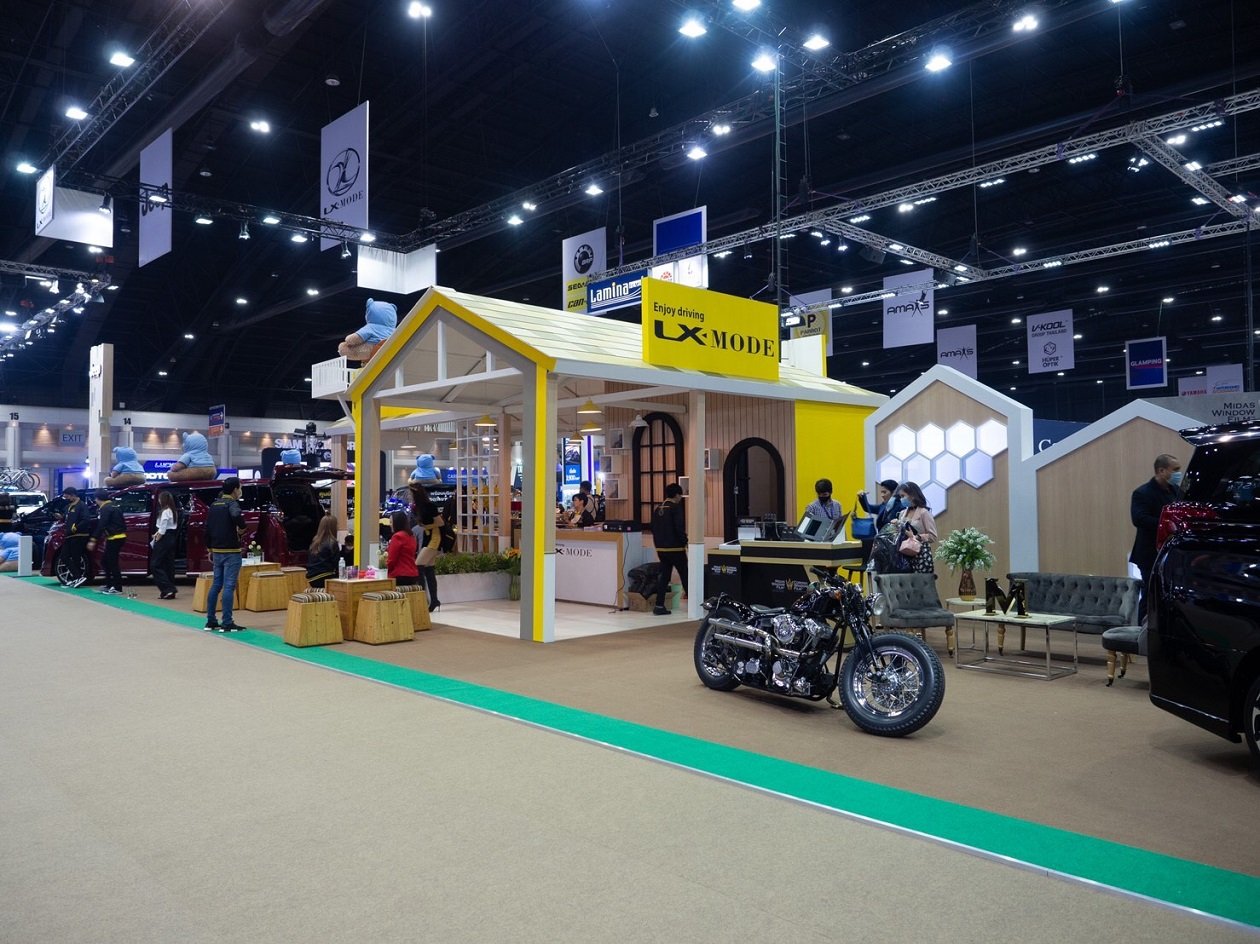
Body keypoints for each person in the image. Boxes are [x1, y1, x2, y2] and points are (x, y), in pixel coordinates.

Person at [1130, 453, 1182, 622]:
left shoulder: (1176, 491)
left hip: (1170, 553)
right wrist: (1167, 524)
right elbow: (1139, 519)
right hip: (1149, 554)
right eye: (1175, 469)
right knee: (1150, 594)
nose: (1178, 473)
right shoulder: (1142, 493)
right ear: (1161, 471)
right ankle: (1140, 631)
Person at [204, 477, 247, 632]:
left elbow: (207, 528)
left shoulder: (214, 505)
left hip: (217, 551)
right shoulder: (232, 504)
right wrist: (242, 528)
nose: (240, 491)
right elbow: (236, 516)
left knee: (216, 585)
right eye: (240, 487)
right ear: (235, 489)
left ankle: (211, 621)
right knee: (229, 586)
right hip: (231, 551)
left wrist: (210, 549)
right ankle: (227, 622)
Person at [650, 483, 688, 616]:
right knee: (685, 574)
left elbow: (653, 528)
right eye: (680, 495)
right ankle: (694, 605)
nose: (681, 498)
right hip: (676, 548)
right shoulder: (675, 508)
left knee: (664, 577)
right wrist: (685, 541)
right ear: (677, 495)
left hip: (661, 548)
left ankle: (659, 605)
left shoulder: (657, 509)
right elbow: (679, 528)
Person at [894, 481, 938, 574]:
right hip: (903, 553)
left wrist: (916, 537)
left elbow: (933, 536)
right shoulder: (902, 513)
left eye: (903, 496)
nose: (901, 499)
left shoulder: (924, 512)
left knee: (919, 581)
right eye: (900, 497)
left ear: (912, 495)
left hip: (920, 554)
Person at [338, 297, 398, 362]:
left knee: (343, 347)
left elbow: (353, 339)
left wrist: (348, 340)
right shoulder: (395, 331)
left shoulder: (371, 327)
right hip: (390, 349)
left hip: (371, 349)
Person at [412, 484, 442, 611]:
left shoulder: (429, 506)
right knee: (429, 570)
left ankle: (423, 599)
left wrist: (425, 526)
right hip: (427, 537)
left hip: (434, 538)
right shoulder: (418, 507)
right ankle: (434, 600)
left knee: (418, 566)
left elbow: (440, 522)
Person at [92, 490, 126, 595]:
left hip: (115, 538)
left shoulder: (105, 509)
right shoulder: (114, 506)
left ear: (98, 499)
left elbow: (102, 524)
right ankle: (109, 585)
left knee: (112, 563)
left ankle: (117, 588)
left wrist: (93, 539)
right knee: (105, 561)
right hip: (117, 537)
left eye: (95, 499)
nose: (95, 501)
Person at [60, 487, 93, 587]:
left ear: (73, 495)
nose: (66, 498)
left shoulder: (82, 506)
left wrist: (76, 528)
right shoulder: (69, 506)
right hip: (69, 535)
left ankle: (77, 578)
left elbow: (86, 520)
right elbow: (66, 518)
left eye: (67, 496)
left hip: (79, 535)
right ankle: (76, 577)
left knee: (76, 557)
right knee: (64, 556)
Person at [151, 490, 179, 599]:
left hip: (164, 538)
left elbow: (162, 528)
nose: (158, 500)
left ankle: (168, 588)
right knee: (168, 564)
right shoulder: (173, 510)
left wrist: (157, 537)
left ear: (162, 500)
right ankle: (168, 591)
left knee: (155, 565)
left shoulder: (165, 511)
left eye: (159, 498)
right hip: (171, 538)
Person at [306, 515, 341, 588]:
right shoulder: (332, 542)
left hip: (311, 578)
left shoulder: (315, 541)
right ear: (333, 527)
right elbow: (336, 563)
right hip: (324, 576)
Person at [386, 511, 418, 586]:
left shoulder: (397, 536)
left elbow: (391, 560)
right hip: (412, 574)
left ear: (397, 523)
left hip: (399, 575)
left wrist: (384, 570)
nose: (390, 525)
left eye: (391, 522)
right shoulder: (411, 536)